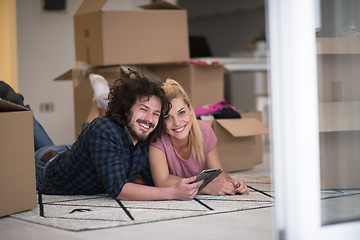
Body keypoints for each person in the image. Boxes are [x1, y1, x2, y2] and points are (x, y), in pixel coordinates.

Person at [0, 71, 203, 201]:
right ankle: (18, 104)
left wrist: (197, 184)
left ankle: (96, 104)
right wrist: (172, 193)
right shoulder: (104, 130)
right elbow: (119, 189)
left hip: (77, 155)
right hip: (46, 167)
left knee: (87, 137)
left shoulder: (144, 138)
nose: (150, 118)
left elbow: (157, 180)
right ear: (126, 108)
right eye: (143, 109)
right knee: (25, 130)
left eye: (156, 114)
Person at [149, 78, 250, 196]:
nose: (177, 122)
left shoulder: (205, 131)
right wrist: (205, 187)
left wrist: (232, 183)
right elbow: (162, 181)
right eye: (167, 117)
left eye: (181, 112)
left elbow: (219, 173)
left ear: (190, 109)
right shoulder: (157, 139)